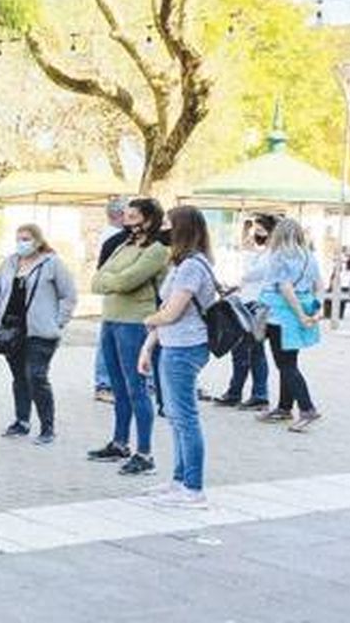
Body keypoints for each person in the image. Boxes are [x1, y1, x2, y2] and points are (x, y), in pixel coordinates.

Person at [139, 206, 217, 509]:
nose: (163, 227)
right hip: (172, 345)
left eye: (169, 223)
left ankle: (194, 488)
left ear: (183, 228)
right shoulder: (180, 263)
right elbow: (168, 312)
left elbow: (172, 312)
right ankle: (179, 479)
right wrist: (148, 346)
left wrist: (149, 320)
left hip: (186, 347)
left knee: (185, 417)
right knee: (175, 416)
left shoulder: (192, 267)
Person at [88, 198, 169, 477]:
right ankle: (120, 442)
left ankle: (144, 452)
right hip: (111, 320)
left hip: (135, 323)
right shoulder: (123, 245)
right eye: (126, 215)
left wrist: (114, 280)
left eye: (133, 215)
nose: (127, 220)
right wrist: (114, 280)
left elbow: (125, 281)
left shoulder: (157, 250)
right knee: (118, 387)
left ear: (148, 219)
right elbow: (96, 280)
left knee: (137, 388)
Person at [0, 224, 77, 445]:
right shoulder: (10, 262)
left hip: (41, 331)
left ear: (37, 241)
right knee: (19, 376)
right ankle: (22, 420)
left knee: (36, 375)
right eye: (18, 239)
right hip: (12, 329)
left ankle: (48, 427)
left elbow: (69, 295)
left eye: (26, 239)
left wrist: (58, 322)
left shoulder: (52, 263)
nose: (21, 243)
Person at [255, 218, 323, 432]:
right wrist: (316, 309)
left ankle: (307, 409)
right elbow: (319, 285)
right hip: (297, 314)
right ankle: (284, 408)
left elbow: (285, 289)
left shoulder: (278, 256)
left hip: (280, 315)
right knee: (289, 361)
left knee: (286, 365)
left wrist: (301, 315)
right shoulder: (309, 256)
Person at [212, 214, 277, 409]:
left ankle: (259, 394)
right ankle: (235, 391)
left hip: (259, 307)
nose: (254, 235)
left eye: (259, 231)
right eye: (253, 231)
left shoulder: (272, 255)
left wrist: (248, 252)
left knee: (254, 351)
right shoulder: (263, 253)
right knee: (240, 349)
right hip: (247, 303)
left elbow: (250, 274)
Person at [92, 196, 130, 402]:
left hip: (119, 297)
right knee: (109, 340)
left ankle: (108, 382)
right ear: (120, 215)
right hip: (115, 296)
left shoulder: (117, 235)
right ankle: (104, 383)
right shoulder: (115, 237)